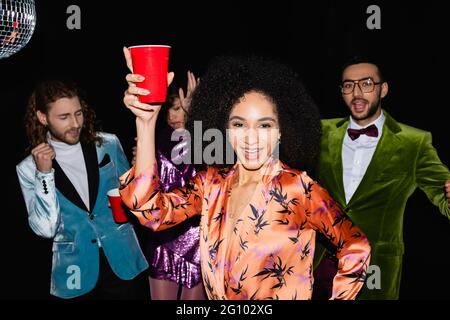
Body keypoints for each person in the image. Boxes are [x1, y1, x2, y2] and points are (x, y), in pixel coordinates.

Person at [120, 53, 371, 300]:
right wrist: (146, 121)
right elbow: (151, 211)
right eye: (239, 124)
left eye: (264, 125)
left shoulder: (299, 189)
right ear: (226, 129)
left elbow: (355, 246)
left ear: (281, 130)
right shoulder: (211, 184)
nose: (251, 138)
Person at [314, 56, 450, 300]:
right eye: (348, 85)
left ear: (383, 89)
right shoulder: (320, 132)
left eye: (366, 83)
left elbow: (443, 197)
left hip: (375, 268)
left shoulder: (414, 142)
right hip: (318, 263)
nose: (356, 92)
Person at [16, 80, 149, 299]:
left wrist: (140, 172)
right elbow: (46, 229)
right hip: (74, 271)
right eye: (64, 117)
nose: (75, 123)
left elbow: (136, 197)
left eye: (78, 113)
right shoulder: (28, 168)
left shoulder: (108, 144)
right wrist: (45, 175)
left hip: (123, 259)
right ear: (42, 118)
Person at [130, 65, 205, 300]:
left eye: (178, 108)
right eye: (169, 109)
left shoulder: (204, 138)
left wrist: (197, 117)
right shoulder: (159, 137)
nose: (173, 115)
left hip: (196, 238)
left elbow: (213, 170)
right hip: (162, 236)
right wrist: (139, 163)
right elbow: (147, 188)